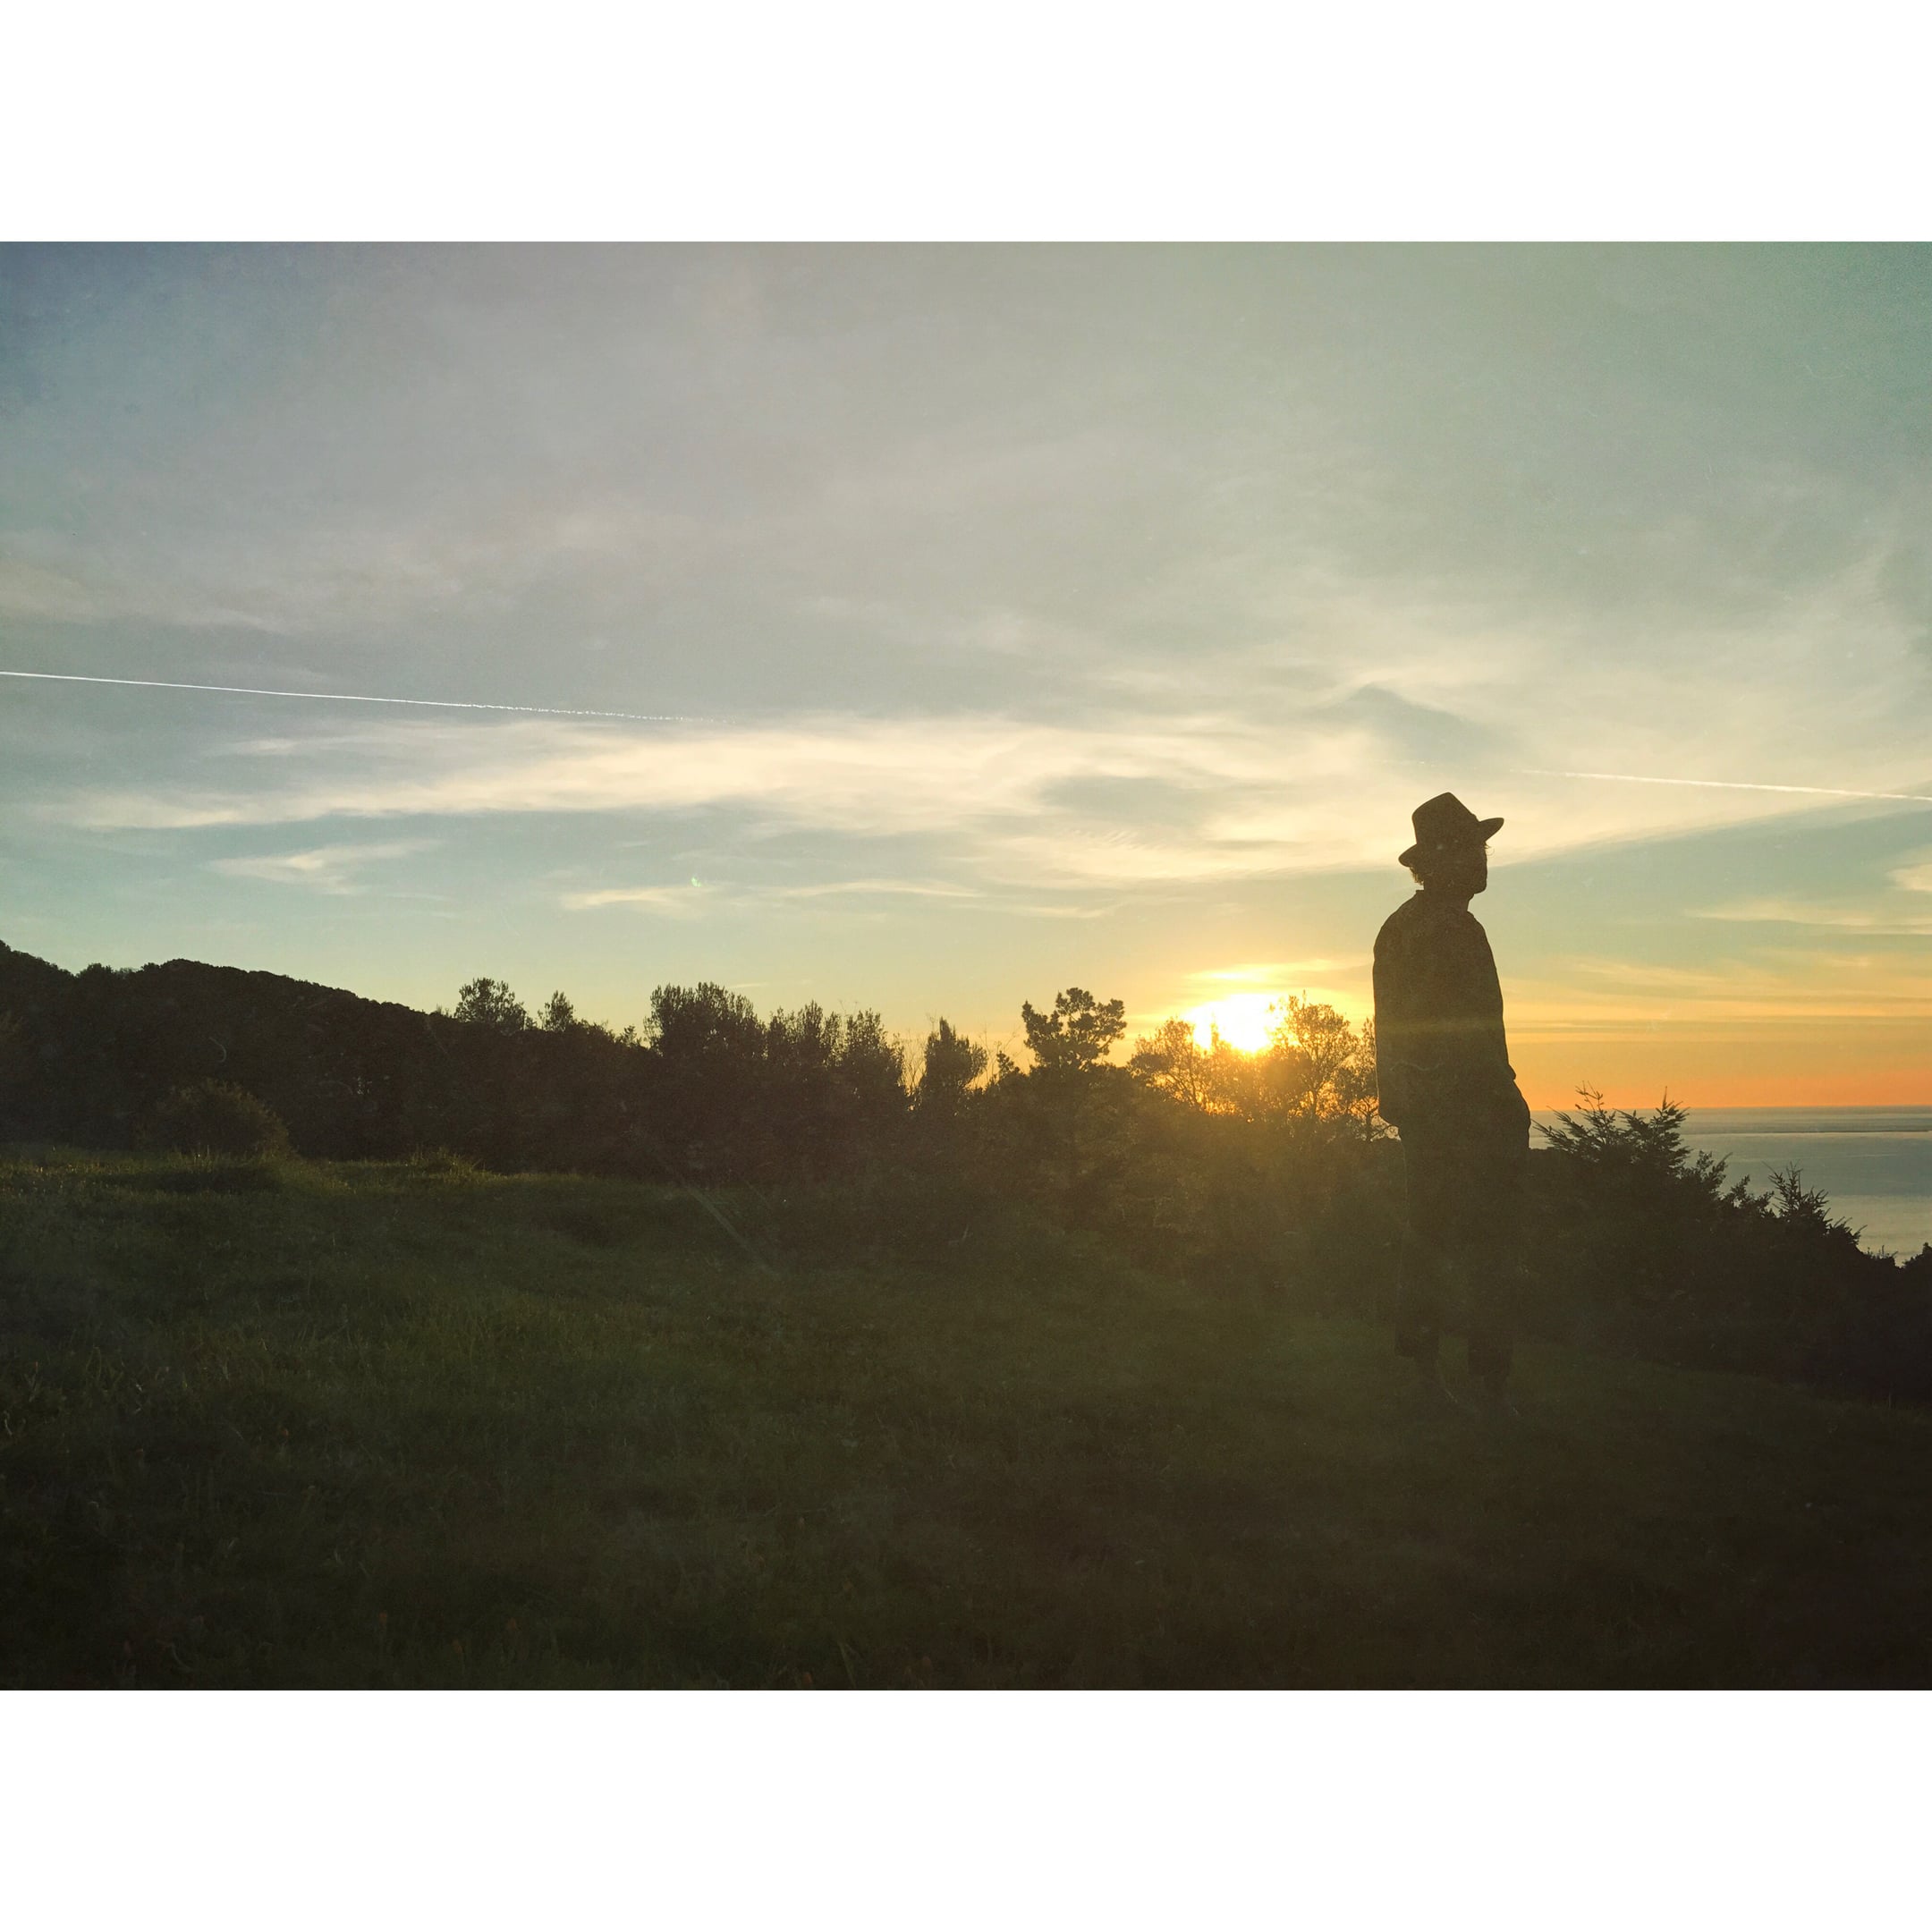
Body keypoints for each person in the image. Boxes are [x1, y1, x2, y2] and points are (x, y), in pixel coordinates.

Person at [1371, 792, 1532, 1411]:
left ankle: (1459, 1377)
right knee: (1460, 1246)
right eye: (1472, 848)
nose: (1483, 859)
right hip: (1454, 1111)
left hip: (1459, 1109)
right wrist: (1474, 1099)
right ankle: (1455, 1379)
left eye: (1483, 848)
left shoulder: (1433, 926)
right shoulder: (1429, 929)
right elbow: (1410, 1031)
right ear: (1438, 860)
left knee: (1457, 1244)